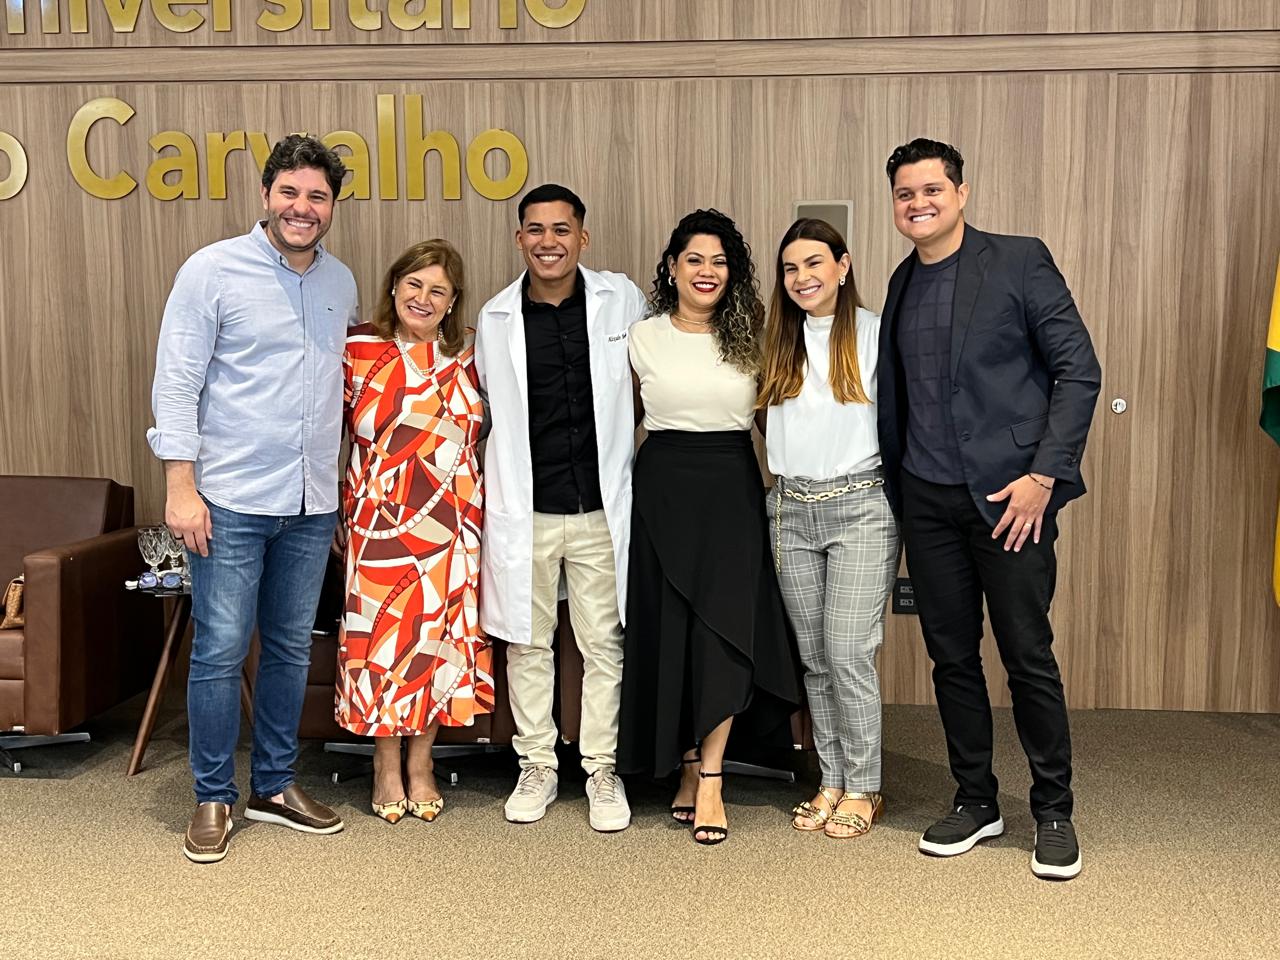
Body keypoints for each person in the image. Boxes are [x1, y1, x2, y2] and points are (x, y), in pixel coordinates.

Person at [877, 138, 1101, 879]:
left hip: (1012, 501)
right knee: (951, 657)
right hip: (928, 502)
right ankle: (976, 798)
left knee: (1027, 655)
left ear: (961, 193)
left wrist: (1045, 475)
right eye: (906, 194)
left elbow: (1078, 369)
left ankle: (1054, 809)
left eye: (932, 190)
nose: (919, 203)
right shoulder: (901, 282)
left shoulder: (1018, 260)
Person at [148, 135, 356, 864]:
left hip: (310, 504)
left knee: (291, 648)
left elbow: (337, 394)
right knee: (220, 650)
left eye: (318, 196)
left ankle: (273, 786)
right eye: (290, 192)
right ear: (266, 194)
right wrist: (180, 487)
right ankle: (212, 795)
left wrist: (337, 493)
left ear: (333, 205)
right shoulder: (212, 270)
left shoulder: (340, 283)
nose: (303, 208)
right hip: (230, 499)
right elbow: (177, 381)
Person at [617, 209, 801, 846]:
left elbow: (777, 428)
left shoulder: (753, 337)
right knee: (672, 630)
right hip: (662, 489)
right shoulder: (640, 336)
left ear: (733, 272)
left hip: (730, 491)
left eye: (719, 262)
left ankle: (714, 775)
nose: (706, 271)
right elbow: (619, 422)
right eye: (694, 259)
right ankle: (688, 765)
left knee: (722, 631)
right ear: (672, 267)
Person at [474, 184, 646, 832]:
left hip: (602, 507)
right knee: (527, 643)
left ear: (583, 237)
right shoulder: (494, 319)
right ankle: (537, 765)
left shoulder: (620, 300)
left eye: (561, 229)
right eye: (536, 230)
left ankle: (601, 769)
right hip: (528, 509)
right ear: (519, 239)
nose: (549, 241)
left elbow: (653, 375)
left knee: (604, 643)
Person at [335, 239, 495, 824]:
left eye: (438, 291)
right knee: (382, 641)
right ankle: (385, 764)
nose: (423, 298)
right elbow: (327, 433)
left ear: (453, 301)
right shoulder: (357, 348)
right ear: (394, 285)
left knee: (437, 640)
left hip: (454, 523)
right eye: (414, 284)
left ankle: (422, 761)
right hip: (378, 522)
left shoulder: (472, 353)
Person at [758, 218, 899, 839]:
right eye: (790, 268)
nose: (802, 277)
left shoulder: (875, 333)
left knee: (848, 653)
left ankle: (865, 786)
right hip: (790, 510)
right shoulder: (776, 341)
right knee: (815, 659)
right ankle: (833, 779)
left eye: (814, 263)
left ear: (843, 266)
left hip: (860, 506)